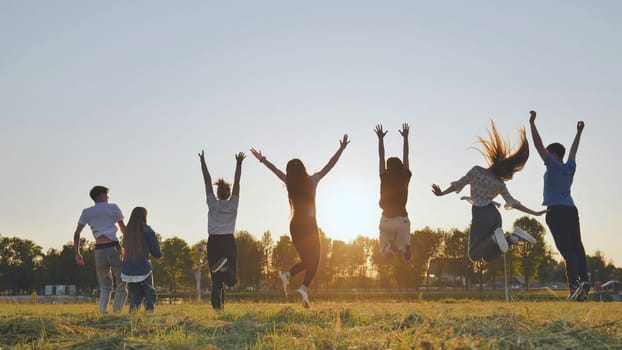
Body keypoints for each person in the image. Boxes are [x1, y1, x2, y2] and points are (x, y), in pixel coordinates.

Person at [251, 134, 349, 308]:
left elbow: (274, 170)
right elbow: (329, 166)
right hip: (309, 225)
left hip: (295, 225)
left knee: (307, 261)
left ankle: (288, 277)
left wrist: (262, 160)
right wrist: (341, 149)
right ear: (303, 168)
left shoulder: (289, 182)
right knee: (315, 260)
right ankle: (302, 287)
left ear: (290, 172)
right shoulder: (312, 181)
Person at [432, 121, 546, 263]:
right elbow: (512, 202)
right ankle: (512, 238)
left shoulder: (477, 171)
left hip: (480, 215)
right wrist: (534, 213)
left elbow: (458, 184)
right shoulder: (499, 183)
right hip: (495, 216)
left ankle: (495, 237)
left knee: (474, 254)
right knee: (488, 256)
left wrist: (442, 193)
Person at [529, 110, 590, 301]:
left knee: (566, 250)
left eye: (548, 153)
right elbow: (573, 151)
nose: (545, 155)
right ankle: (584, 281)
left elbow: (538, 145)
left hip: (556, 212)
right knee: (577, 246)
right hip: (571, 210)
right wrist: (579, 132)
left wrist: (532, 123)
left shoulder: (553, 165)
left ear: (553, 154)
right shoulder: (569, 167)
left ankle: (574, 286)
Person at [199, 150, 245, 310]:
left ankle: (218, 308)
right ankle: (225, 267)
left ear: (218, 193)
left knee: (216, 280)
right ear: (229, 193)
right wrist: (239, 164)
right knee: (232, 280)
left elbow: (207, 181)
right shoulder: (233, 204)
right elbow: (237, 183)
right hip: (228, 241)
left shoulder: (213, 203)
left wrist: (202, 162)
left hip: (213, 242)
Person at [73, 185, 127, 313]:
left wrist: (77, 253)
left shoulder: (87, 212)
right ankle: (117, 312)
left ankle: (103, 312)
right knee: (122, 282)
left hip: (98, 250)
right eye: (107, 195)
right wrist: (128, 246)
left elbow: (77, 233)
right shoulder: (113, 208)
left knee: (105, 287)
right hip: (113, 247)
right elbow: (123, 229)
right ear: (102, 196)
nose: (108, 198)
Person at [375, 123, 413, 261]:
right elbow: (406, 156)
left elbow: (381, 157)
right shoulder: (405, 176)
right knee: (404, 241)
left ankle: (389, 247)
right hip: (403, 219)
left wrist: (380, 139)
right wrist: (405, 138)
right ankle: (404, 246)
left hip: (386, 220)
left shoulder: (384, 176)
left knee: (383, 248)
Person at [121, 207, 162, 312]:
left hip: (127, 269)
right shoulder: (147, 230)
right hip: (143, 267)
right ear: (144, 216)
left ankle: (133, 315)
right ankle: (149, 314)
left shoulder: (127, 232)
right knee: (149, 293)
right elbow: (157, 253)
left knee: (135, 295)